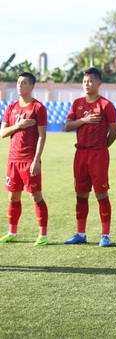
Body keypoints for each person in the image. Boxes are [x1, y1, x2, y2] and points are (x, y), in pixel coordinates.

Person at [63, 67, 116, 247]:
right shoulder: (77, 103)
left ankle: (105, 235)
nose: (87, 84)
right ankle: (81, 233)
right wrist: (84, 121)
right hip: (80, 154)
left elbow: (115, 130)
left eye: (91, 81)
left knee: (101, 194)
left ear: (99, 83)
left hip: (98, 154)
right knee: (80, 194)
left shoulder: (106, 105)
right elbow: (67, 126)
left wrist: (103, 147)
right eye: (85, 81)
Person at [0, 72, 49, 246]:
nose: (20, 85)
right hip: (12, 160)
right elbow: (2, 133)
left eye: (24, 83)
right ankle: (12, 232)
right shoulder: (11, 107)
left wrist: (36, 160)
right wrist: (18, 126)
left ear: (32, 86)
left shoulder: (38, 108)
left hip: (29, 160)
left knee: (35, 197)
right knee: (13, 197)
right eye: (19, 82)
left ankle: (43, 235)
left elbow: (42, 136)